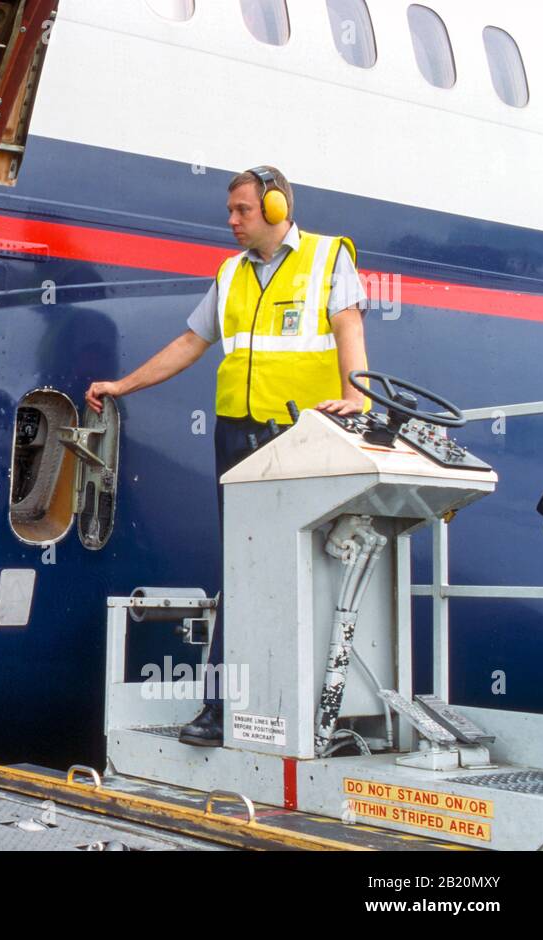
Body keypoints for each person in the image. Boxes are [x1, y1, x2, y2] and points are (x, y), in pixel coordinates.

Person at [85, 166, 370, 747]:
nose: (231, 221)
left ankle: (314, 710)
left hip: (298, 435)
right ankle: (224, 708)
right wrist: (125, 385)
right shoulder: (231, 274)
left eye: (241, 210)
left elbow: (349, 326)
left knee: (305, 565)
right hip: (237, 438)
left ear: (274, 205)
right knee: (240, 568)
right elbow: (191, 342)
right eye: (231, 210)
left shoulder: (326, 257)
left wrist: (357, 399)